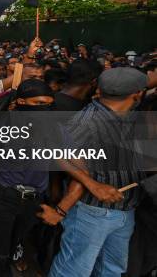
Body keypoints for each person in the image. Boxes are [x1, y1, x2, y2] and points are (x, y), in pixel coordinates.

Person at [49, 67, 148, 277]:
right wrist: (94, 185)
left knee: (112, 270)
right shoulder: (87, 121)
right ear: (137, 93)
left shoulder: (132, 117)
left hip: (126, 209)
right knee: (73, 270)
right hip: (92, 213)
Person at [0, 80, 54, 277]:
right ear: (21, 102)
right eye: (39, 104)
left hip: (35, 199)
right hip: (4, 196)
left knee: (18, 240)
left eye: (49, 104)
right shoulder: (2, 124)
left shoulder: (54, 127)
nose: (45, 109)